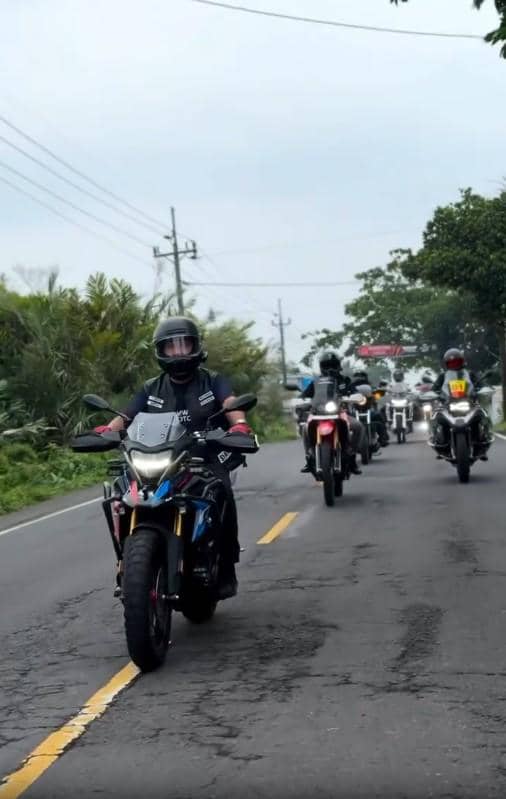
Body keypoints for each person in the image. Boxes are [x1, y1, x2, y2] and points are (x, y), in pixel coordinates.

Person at [94, 316, 253, 600]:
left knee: (222, 494)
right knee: (119, 494)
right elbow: (126, 416)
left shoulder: (213, 380)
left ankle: (226, 566)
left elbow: (230, 404)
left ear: (196, 346)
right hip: (158, 457)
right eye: (171, 347)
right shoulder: (150, 388)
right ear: (161, 351)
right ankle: (126, 565)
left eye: (184, 345)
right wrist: (107, 430)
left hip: (204, 457)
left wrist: (239, 425)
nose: (178, 352)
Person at [299, 351, 363, 475]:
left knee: (357, 426)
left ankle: (352, 456)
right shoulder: (316, 382)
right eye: (327, 366)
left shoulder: (344, 380)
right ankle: (309, 457)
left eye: (333, 365)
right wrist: (301, 400)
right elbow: (304, 395)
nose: (330, 369)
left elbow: (355, 393)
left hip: (340, 412)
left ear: (338, 366)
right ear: (322, 367)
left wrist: (355, 396)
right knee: (305, 428)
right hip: (318, 413)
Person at [430, 347, 489, 446]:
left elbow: (481, 384)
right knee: (437, 416)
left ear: (462, 362)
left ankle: (483, 438)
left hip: (468, 401)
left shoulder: (469, 374)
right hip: (449, 403)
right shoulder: (443, 376)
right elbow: (434, 388)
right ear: (447, 364)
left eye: (457, 362)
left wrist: (481, 389)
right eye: (452, 363)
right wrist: (436, 394)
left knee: (482, 413)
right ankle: (439, 440)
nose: (454, 365)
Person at [348, 370, 390, 446]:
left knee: (379, 416)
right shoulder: (350, 387)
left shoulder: (370, 386)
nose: (359, 378)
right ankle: (347, 444)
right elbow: (345, 395)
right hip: (354, 412)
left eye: (361, 376)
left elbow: (377, 394)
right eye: (358, 377)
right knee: (344, 421)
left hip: (369, 411)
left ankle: (383, 438)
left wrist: (379, 393)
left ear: (365, 377)